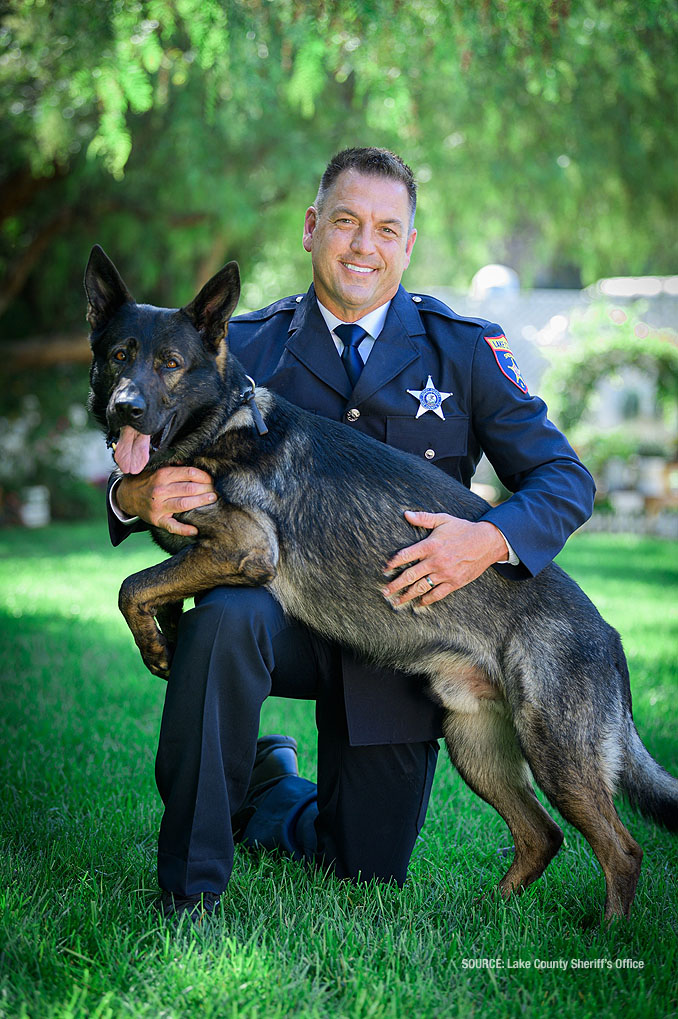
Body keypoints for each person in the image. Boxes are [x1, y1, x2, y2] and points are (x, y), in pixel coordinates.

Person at [107, 147, 595, 919]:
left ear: (408, 242)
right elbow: (149, 442)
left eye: (385, 228)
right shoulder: (245, 344)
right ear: (310, 228)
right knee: (227, 616)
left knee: (363, 867)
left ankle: (268, 785)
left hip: (408, 635)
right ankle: (191, 885)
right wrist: (132, 493)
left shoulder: (461, 348)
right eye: (345, 221)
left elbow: (566, 480)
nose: (363, 245)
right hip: (280, 615)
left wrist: (486, 539)